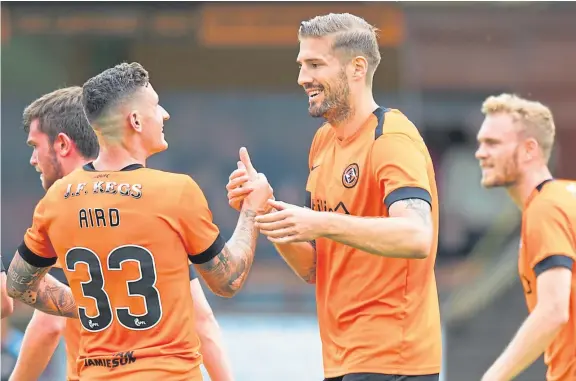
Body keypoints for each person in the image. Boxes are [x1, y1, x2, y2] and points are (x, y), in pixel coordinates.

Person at [7, 62, 272, 380]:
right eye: (157, 106)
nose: (164, 114)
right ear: (135, 120)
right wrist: (251, 210)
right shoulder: (176, 191)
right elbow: (227, 280)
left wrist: (88, 306)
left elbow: (18, 285)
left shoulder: (56, 199)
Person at [226, 13, 441, 381]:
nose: (302, 77)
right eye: (301, 65)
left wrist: (320, 222)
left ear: (357, 68)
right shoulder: (323, 142)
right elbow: (313, 267)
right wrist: (264, 209)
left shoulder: (391, 140)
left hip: (395, 358)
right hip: (343, 358)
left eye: (314, 64)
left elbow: (418, 236)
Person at [476, 94, 575, 381]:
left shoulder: (544, 208)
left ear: (529, 149)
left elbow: (554, 310)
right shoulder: (566, 196)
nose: (480, 152)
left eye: (493, 143)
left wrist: (493, 377)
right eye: (481, 142)